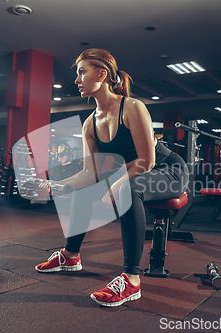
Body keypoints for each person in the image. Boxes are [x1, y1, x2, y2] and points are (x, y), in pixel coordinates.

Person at [35, 48, 188, 307]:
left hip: (168, 171)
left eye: (82, 72)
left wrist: (117, 184)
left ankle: (131, 279)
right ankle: (71, 255)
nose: (77, 79)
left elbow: (147, 161)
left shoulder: (132, 108)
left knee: (127, 189)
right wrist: (56, 186)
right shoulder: (89, 124)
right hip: (136, 174)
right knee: (90, 189)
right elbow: (90, 173)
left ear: (102, 74)